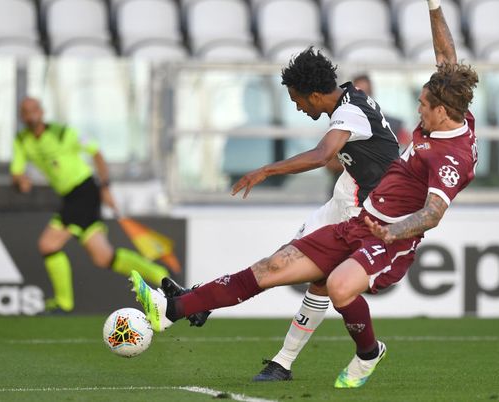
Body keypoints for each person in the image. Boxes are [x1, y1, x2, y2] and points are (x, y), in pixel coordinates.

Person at [132, 0, 478, 389]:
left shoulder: (446, 154)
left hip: (375, 217)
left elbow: (329, 158)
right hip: (355, 201)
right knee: (277, 267)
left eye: (423, 104)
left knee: (324, 282)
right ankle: (179, 309)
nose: (417, 108)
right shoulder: (445, 109)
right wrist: (434, 7)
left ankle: (322, 355)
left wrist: (267, 169)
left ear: (442, 111)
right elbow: (447, 58)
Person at [164, 46, 400, 377]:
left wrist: (266, 170)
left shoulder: (351, 112)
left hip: (364, 210)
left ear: (315, 95)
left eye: (297, 100)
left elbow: (322, 155)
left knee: (308, 277)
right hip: (347, 194)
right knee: (279, 263)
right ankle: (204, 304)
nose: (297, 106)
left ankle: (285, 359)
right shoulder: (350, 99)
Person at [10, 97, 169, 313]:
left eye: (33, 110)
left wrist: (105, 187)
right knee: (104, 258)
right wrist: (21, 181)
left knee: (47, 244)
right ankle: (159, 274)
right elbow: (16, 172)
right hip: (69, 197)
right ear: (22, 116)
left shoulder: (62, 132)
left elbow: (96, 151)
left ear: (42, 111)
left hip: (84, 191)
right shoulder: (21, 140)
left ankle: (64, 302)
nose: (30, 116)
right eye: (25, 112)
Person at [352, 74, 413, 150]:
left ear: (371, 93)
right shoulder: (346, 124)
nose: (362, 98)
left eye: (366, 93)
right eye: (358, 94)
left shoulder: (393, 124)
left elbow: (410, 147)